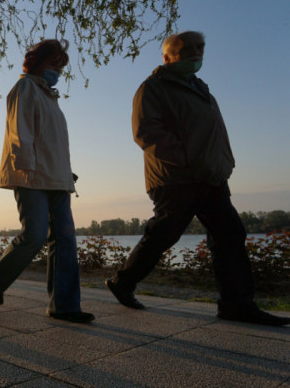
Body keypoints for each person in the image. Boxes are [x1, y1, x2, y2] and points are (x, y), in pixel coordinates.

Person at [105, 31, 289, 326]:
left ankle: (236, 304)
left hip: (212, 177)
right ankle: (123, 281)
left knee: (230, 234)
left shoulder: (202, 89)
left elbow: (215, 133)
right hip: (175, 177)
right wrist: (189, 161)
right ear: (167, 57)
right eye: (186, 49)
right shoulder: (153, 87)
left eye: (200, 47)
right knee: (165, 233)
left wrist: (224, 163)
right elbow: (146, 133)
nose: (196, 53)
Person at [0, 39, 94, 324]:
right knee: (34, 234)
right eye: (53, 62)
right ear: (37, 61)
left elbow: (56, 144)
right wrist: (24, 165)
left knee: (65, 240)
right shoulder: (25, 88)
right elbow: (20, 131)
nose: (58, 69)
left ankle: (65, 305)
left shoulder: (51, 98)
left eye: (61, 65)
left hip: (57, 178)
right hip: (30, 175)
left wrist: (66, 172)